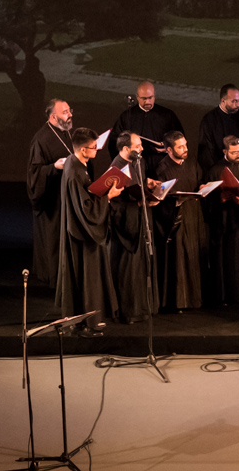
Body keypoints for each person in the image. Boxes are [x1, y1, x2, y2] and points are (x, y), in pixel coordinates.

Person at [56, 133, 123, 328]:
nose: (97, 149)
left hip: (78, 228)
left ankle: (87, 319)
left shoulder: (74, 162)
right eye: (94, 147)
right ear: (83, 150)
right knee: (88, 277)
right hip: (81, 233)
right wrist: (108, 197)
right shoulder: (75, 172)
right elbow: (86, 209)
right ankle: (87, 322)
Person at [107, 132, 160, 323]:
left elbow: (137, 184)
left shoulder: (139, 162)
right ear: (125, 149)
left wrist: (149, 184)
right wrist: (138, 205)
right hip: (126, 230)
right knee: (128, 271)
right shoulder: (115, 169)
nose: (142, 149)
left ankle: (145, 309)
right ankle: (128, 312)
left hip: (140, 222)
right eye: (138, 146)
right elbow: (113, 205)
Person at [24, 100, 74, 286]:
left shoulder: (67, 132)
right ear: (53, 116)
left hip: (67, 196)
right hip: (52, 200)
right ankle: (55, 279)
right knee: (54, 241)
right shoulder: (41, 139)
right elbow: (34, 174)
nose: (70, 115)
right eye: (65, 112)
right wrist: (54, 167)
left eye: (69, 110)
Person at [153, 131, 204, 311]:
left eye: (185, 145)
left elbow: (198, 180)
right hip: (176, 217)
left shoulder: (191, 162)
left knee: (194, 256)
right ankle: (178, 301)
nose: (185, 149)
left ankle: (195, 300)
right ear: (168, 150)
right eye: (180, 147)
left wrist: (203, 187)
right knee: (179, 258)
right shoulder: (163, 168)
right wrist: (174, 201)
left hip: (194, 214)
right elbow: (159, 197)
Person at [205, 135, 239, 306]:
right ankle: (223, 296)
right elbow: (206, 196)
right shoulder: (215, 169)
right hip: (223, 219)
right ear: (225, 151)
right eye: (234, 152)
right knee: (223, 258)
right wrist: (220, 198)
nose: (238, 155)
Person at [113, 80, 183, 156]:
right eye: (144, 98)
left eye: (150, 97)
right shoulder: (127, 116)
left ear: (154, 96)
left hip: (161, 161)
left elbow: (179, 139)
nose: (147, 102)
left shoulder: (167, 115)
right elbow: (115, 141)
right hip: (135, 163)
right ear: (137, 97)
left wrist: (169, 148)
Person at [197, 84, 239, 172]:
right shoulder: (209, 119)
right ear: (223, 101)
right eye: (234, 101)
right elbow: (206, 152)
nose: (238, 105)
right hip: (219, 169)